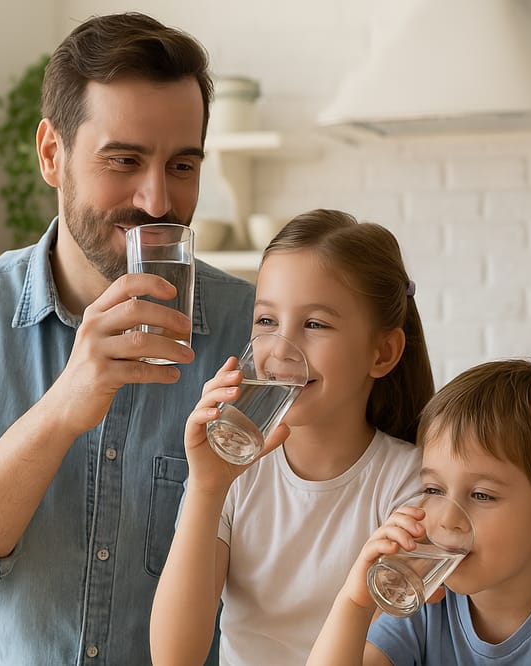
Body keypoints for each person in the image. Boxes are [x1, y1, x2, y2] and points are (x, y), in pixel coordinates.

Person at [0, 12, 255, 665]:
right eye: (124, 160)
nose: (158, 200)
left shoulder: (251, 330)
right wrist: (64, 406)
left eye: (182, 164)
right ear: (50, 155)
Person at [149, 208, 436, 665]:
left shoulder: (410, 485)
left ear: (382, 352)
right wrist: (206, 486)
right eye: (266, 322)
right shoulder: (231, 475)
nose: (282, 349)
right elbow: (174, 657)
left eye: (315, 324)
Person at [308, 359, 531, 666]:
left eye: (481, 495)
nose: (447, 518)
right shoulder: (429, 605)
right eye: (433, 490)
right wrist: (355, 604)